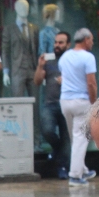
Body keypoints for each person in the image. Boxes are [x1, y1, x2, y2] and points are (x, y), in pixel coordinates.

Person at [58, 27, 97, 186]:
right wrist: (94, 102)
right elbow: (91, 83)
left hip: (65, 101)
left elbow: (63, 76)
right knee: (81, 138)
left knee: (75, 138)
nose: (92, 43)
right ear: (86, 39)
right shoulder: (88, 57)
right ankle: (75, 175)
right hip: (81, 101)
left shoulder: (64, 57)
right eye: (92, 40)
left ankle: (83, 169)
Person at [34, 31, 71, 179]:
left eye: (61, 43)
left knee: (67, 139)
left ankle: (63, 168)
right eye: (56, 42)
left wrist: (67, 80)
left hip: (67, 103)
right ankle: (57, 149)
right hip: (50, 103)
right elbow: (37, 81)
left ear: (68, 45)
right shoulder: (48, 61)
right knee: (47, 130)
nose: (57, 45)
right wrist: (39, 66)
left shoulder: (71, 60)